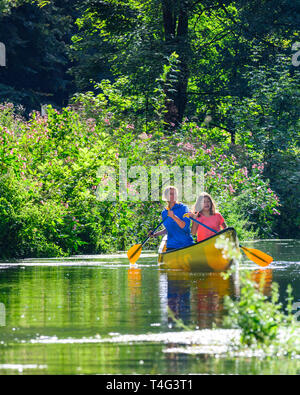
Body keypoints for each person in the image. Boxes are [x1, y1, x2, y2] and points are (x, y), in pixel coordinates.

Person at [150, 186, 194, 250]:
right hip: (172, 246)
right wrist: (155, 234)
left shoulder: (183, 208)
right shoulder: (164, 212)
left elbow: (184, 226)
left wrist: (173, 217)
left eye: (175, 194)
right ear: (165, 196)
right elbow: (169, 229)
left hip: (186, 244)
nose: (174, 196)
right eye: (171, 194)